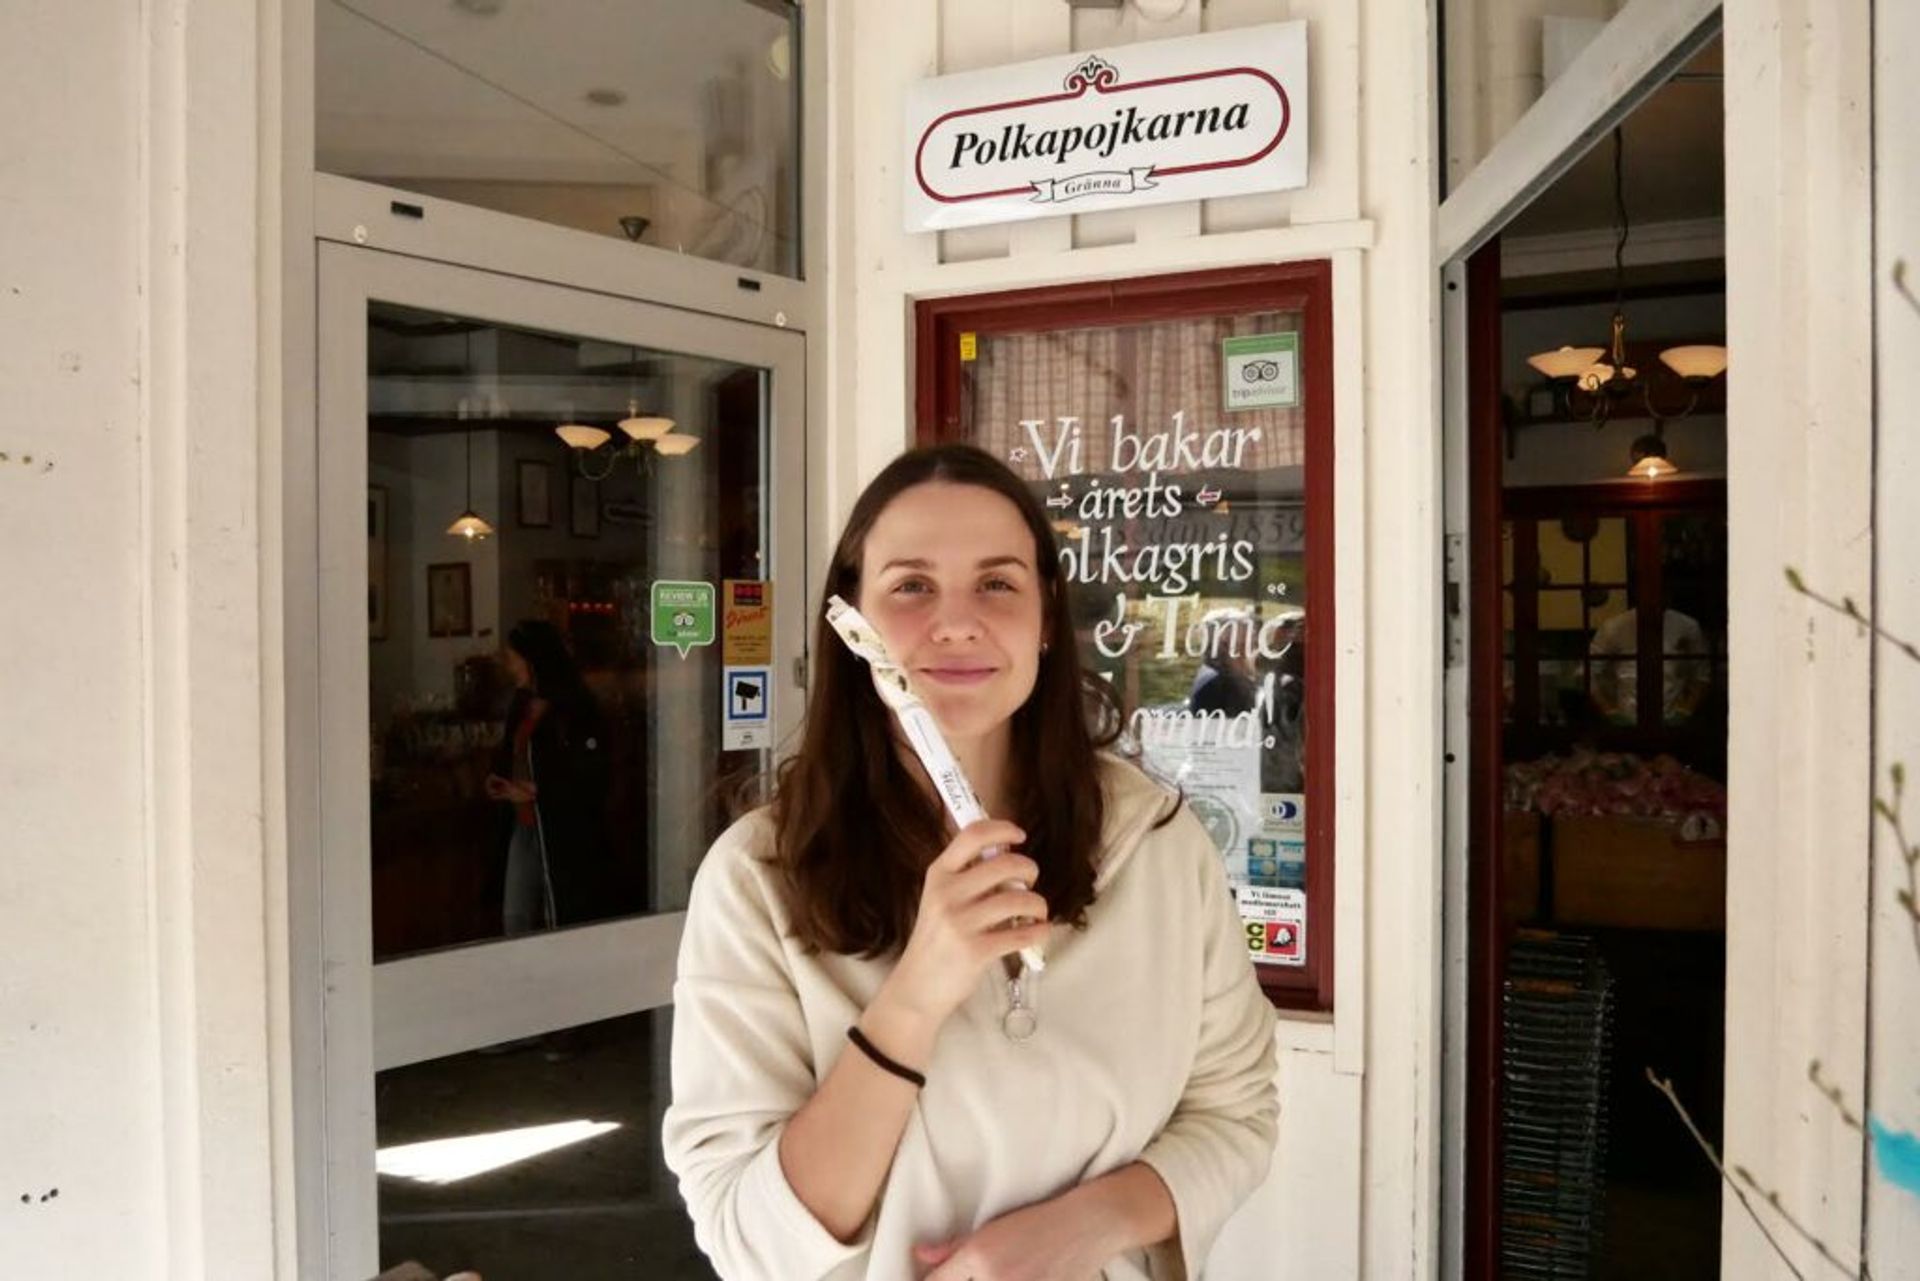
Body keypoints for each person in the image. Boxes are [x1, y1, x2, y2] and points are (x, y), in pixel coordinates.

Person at [662, 444, 1278, 1280]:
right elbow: (750, 1242)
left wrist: (1075, 1230)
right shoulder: (758, 878)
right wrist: (917, 992)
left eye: (997, 583)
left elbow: (1235, 1114)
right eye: (911, 585)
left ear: (1047, 618)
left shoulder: (1160, 844)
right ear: (853, 622)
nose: (956, 622)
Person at [484, 619, 609, 935]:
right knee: (516, 914)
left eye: (514, 657)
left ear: (532, 658)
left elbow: (590, 771)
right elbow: (511, 751)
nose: (510, 666)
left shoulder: (574, 707)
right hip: (523, 823)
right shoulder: (521, 703)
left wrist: (540, 790)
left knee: (561, 910)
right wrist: (499, 779)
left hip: (559, 826)